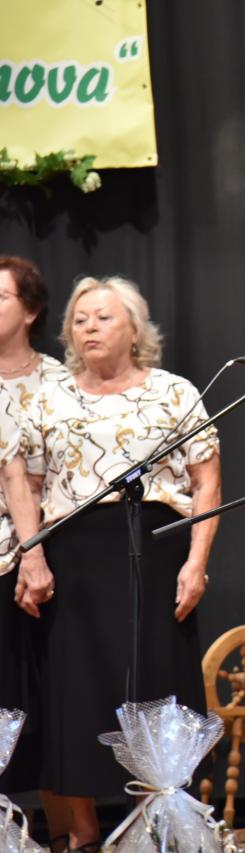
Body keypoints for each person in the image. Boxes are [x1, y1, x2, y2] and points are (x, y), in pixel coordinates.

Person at [27, 276, 221, 852]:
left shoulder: (173, 392)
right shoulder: (49, 397)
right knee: (76, 685)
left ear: (135, 330)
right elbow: (28, 486)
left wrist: (197, 563)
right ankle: (84, 833)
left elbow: (207, 484)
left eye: (103, 317)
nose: (89, 327)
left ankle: (151, 825)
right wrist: (33, 557)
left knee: (154, 682)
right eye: (80, 319)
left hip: (154, 551)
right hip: (74, 555)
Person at [0, 256, 61, 803]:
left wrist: (33, 549)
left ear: (31, 309)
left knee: (42, 693)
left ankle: (60, 826)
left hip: (47, 549)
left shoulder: (61, 382)